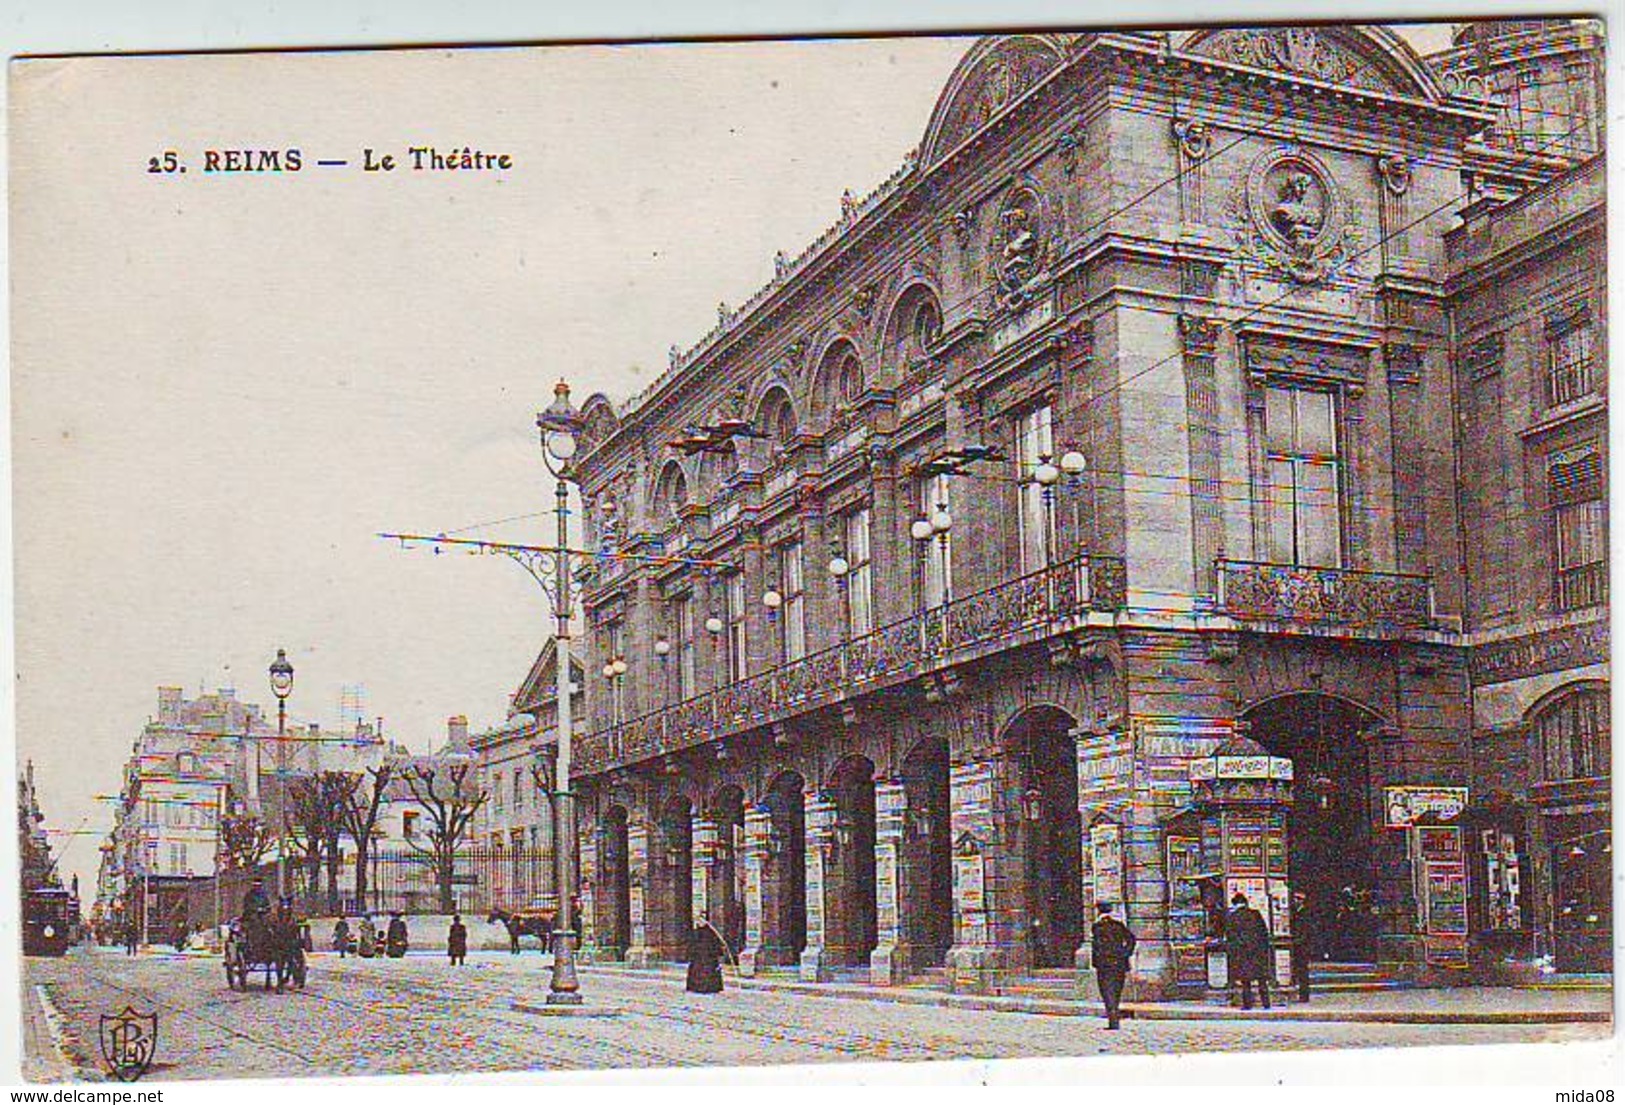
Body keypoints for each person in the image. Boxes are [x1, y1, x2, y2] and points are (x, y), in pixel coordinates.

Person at [1090, 902, 1137, 1029]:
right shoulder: (1118, 925)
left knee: (1106, 991)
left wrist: (1095, 962)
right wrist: (1125, 953)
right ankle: (1114, 1017)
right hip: (1119, 963)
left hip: (1104, 964)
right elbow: (1131, 940)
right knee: (1116, 990)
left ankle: (1113, 1019)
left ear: (1099, 911)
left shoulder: (1097, 926)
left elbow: (1095, 946)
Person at [1225, 892, 1273, 1010]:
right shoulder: (1255, 914)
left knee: (1246, 980)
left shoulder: (1233, 917)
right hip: (1257, 952)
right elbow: (1264, 933)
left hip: (1242, 953)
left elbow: (1231, 936)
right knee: (1261, 979)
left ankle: (1247, 1004)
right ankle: (1266, 1003)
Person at [685, 914, 725, 994]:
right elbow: (691, 944)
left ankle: (710, 988)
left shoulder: (711, 933)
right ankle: (696, 988)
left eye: (701, 920)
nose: (699, 922)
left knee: (708, 971)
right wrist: (690, 954)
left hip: (709, 958)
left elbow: (717, 944)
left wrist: (717, 952)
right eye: (698, 921)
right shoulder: (695, 932)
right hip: (697, 958)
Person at [1290, 892, 1311, 1003]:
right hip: (1298, 945)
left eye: (1297, 899)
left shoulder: (1305, 913)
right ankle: (1301, 993)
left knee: (1302, 970)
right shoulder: (1296, 913)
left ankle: (1304, 995)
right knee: (1298, 970)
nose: (1295, 901)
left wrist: (1298, 941)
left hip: (1302, 946)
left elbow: (1306, 931)